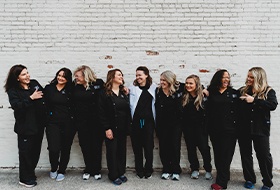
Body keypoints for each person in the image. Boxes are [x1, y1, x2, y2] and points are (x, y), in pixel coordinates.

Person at [4, 64, 46, 187]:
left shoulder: (34, 83)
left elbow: (43, 95)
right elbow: (17, 106)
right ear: (17, 78)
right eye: (23, 74)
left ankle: (30, 173)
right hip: (25, 127)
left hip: (38, 125)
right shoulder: (13, 91)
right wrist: (31, 98)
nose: (27, 76)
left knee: (35, 152)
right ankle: (24, 179)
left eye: (27, 73)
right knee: (25, 153)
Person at [238, 67, 277, 190]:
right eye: (248, 76)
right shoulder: (243, 90)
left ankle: (267, 182)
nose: (248, 79)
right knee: (246, 155)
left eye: (251, 77)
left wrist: (254, 100)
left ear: (258, 78)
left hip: (260, 129)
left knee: (264, 156)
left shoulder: (268, 91)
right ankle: (249, 179)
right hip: (244, 128)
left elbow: (272, 105)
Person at [207, 69, 239, 190]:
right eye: (223, 77)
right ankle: (224, 176)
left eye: (228, 77)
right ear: (218, 78)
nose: (226, 79)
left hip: (230, 130)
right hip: (214, 129)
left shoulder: (234, 93)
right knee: (218, 155)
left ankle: (221, 183)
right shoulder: (211, 92)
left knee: (226, 155)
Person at [99, 69, 131, 185]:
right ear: (112, 77)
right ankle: (113, 175)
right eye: (118, 75)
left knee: (122, 151)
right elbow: (101, 112)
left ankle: (121, 172)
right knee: (112, 152)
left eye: (122, 75)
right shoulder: (104, 93)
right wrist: (107, 128)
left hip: (122, 128)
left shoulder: (123, 92)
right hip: (111, 128)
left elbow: (127, 111)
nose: (121, 76)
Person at [72, 65, 105, 180]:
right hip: (81, 122)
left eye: (78, 76)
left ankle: (96, 170)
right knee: (85, 145)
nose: (76, 78)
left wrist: (123, 88)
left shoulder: (99, 84)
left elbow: (110, 91)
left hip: (97, 122)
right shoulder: (75, 87)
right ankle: (88, 168)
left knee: (96, 146)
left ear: (85, 75)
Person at [44, 68, 76, 182]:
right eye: (59, 75)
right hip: (52, 123)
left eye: (63, 76)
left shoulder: (72, 90)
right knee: (54, 148)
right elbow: (43, 104)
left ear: (68, 79)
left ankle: (62, 170)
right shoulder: (49, 88)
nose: (60, 78)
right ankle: (54, 168)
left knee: (65, 148)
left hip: (69, 123)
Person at [181, 74, 212, 180]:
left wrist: (203, 89)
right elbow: (176, 83)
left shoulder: (203, 96)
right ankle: (194, 169)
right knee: (191, 149)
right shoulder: (184, 96)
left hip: (201, 128)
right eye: (187, 83)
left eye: (191, 83)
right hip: (188, 128)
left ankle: (208, 169)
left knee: (204, 149)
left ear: (197, 84)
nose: (188, 85)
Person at [155, 70, 183, 180]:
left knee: (175, 147)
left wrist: (204, 89)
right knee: (164, 147)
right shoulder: (158, 91)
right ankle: (166, 169)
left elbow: (194, 85)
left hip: (176, 124)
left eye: (164, 80)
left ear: (170, 80)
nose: (161, 82)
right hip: (162, 124)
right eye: (161, 80)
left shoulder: (179, 89)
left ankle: (176, 170)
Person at [129, 66, 157, 179]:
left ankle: (148, 169)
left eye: (140, 75)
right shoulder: (132, 88)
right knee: (137, 147)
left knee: (148, 147)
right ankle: (139, 169)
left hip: (148, 123)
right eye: (136, 75)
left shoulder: (154, 88)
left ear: (146, 75)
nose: (138, 77)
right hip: (135, 123)